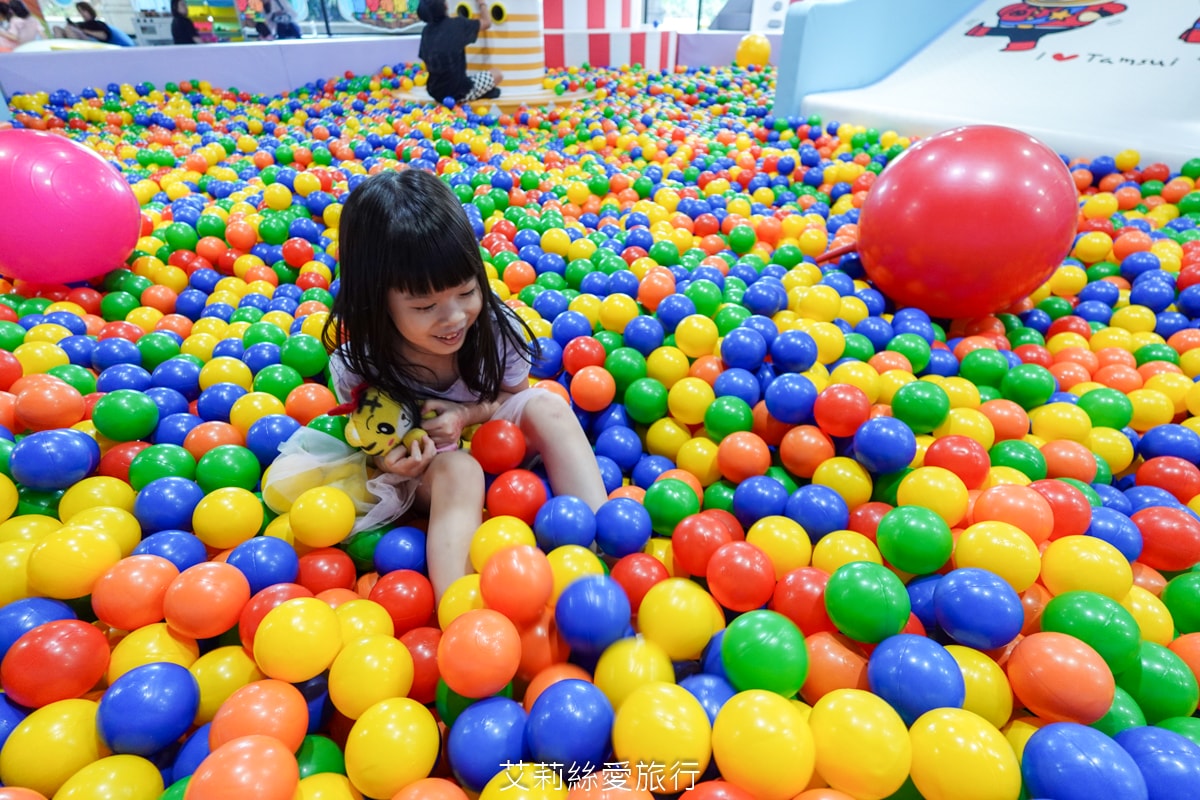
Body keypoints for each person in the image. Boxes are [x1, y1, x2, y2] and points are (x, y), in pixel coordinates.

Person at [325, 168, 608, 598]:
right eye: (425, 306)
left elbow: (512, 396)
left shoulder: (495, 329)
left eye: (466, 291)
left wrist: (466, 415)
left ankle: (603, 550)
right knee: (459, 468)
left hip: (498, 443)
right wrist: (392, 462)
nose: (454, 317)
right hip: (434, 472)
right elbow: (372, 444)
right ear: (376, 303)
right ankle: (458, 609)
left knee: (547, 404)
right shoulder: (360, 362)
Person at [417, 0, 502, 104]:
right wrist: (482, 4)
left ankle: (482, 92)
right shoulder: (458, 25)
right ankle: (474, 95)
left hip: (435, 92)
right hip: (458, 93)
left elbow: (426, 62)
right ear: (445, 6)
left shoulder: (426, 31)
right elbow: (487, 22)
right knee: (497, 74)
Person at [55, 2, 134, 47]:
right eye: (80, 11)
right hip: (80, 36)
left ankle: (74, 51)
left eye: (83, 11)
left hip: (93, 41)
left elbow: (104, 36)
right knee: (57, 28)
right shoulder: (82, 24)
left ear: (89, 11)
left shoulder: (98, 23)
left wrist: (85, 31)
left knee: (69, 29)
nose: (82, 13)